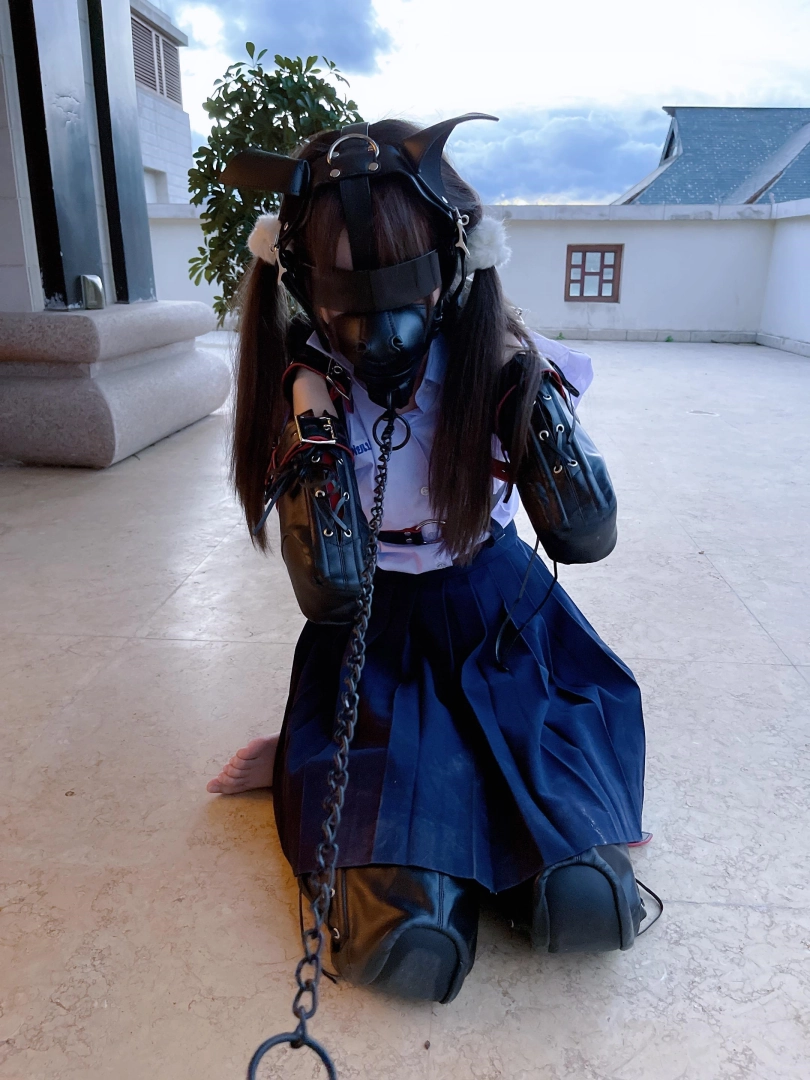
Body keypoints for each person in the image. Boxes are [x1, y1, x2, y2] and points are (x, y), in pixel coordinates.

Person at [207, 118, 648, 1004]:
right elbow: (327, 583)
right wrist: (312, 425)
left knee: (585, 901)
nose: (379, 331)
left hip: (497, 614)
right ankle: (346, 785)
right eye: (348, 295)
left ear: (458, 263)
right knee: (406, 932)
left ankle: (550, 836)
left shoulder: (494, 363)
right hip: (377, 634)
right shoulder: (309, 388)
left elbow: (586, 531)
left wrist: (526, 394)